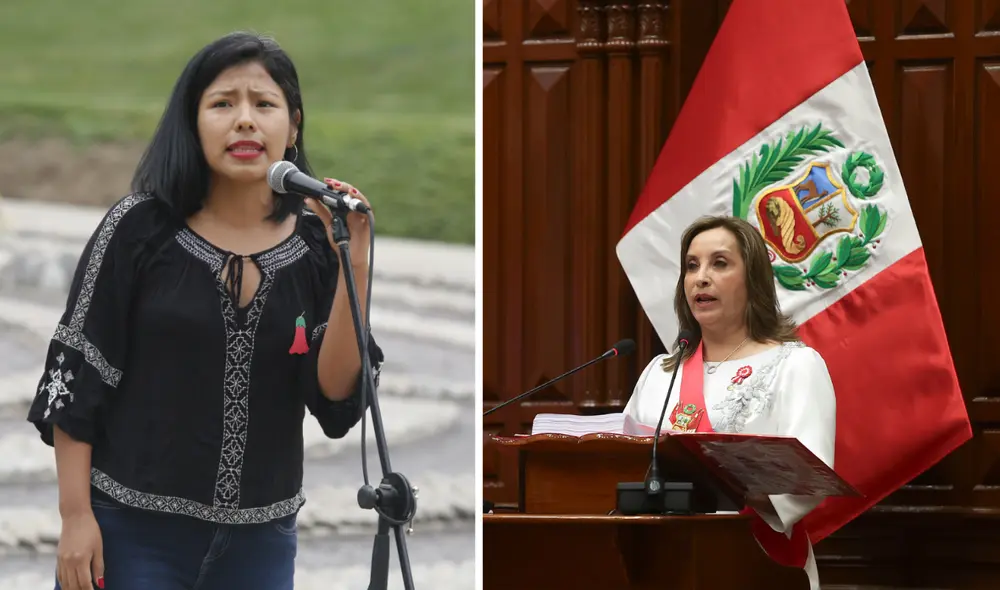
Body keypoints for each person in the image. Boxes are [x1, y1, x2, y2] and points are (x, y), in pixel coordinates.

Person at [25, 31, 384, 590]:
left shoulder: (318, 248)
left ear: (293, 127)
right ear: (191, 125)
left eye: (264, 105)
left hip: (260, 545)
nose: (245, 121)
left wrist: (353, 260)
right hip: (130, 534)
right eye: (222, 104)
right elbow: (76, 378)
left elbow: (336, 395)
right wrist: (76, 518)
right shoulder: (138, 229)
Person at [622, 215, 836, 590]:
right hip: (662, 563)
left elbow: (808, 477)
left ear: (752, 280)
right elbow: (624, 463)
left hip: (756, 562)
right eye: (692, 266)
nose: (701, 277)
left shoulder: (795, 365)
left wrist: (719, 490)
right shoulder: (661, 372)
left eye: (719, 263)